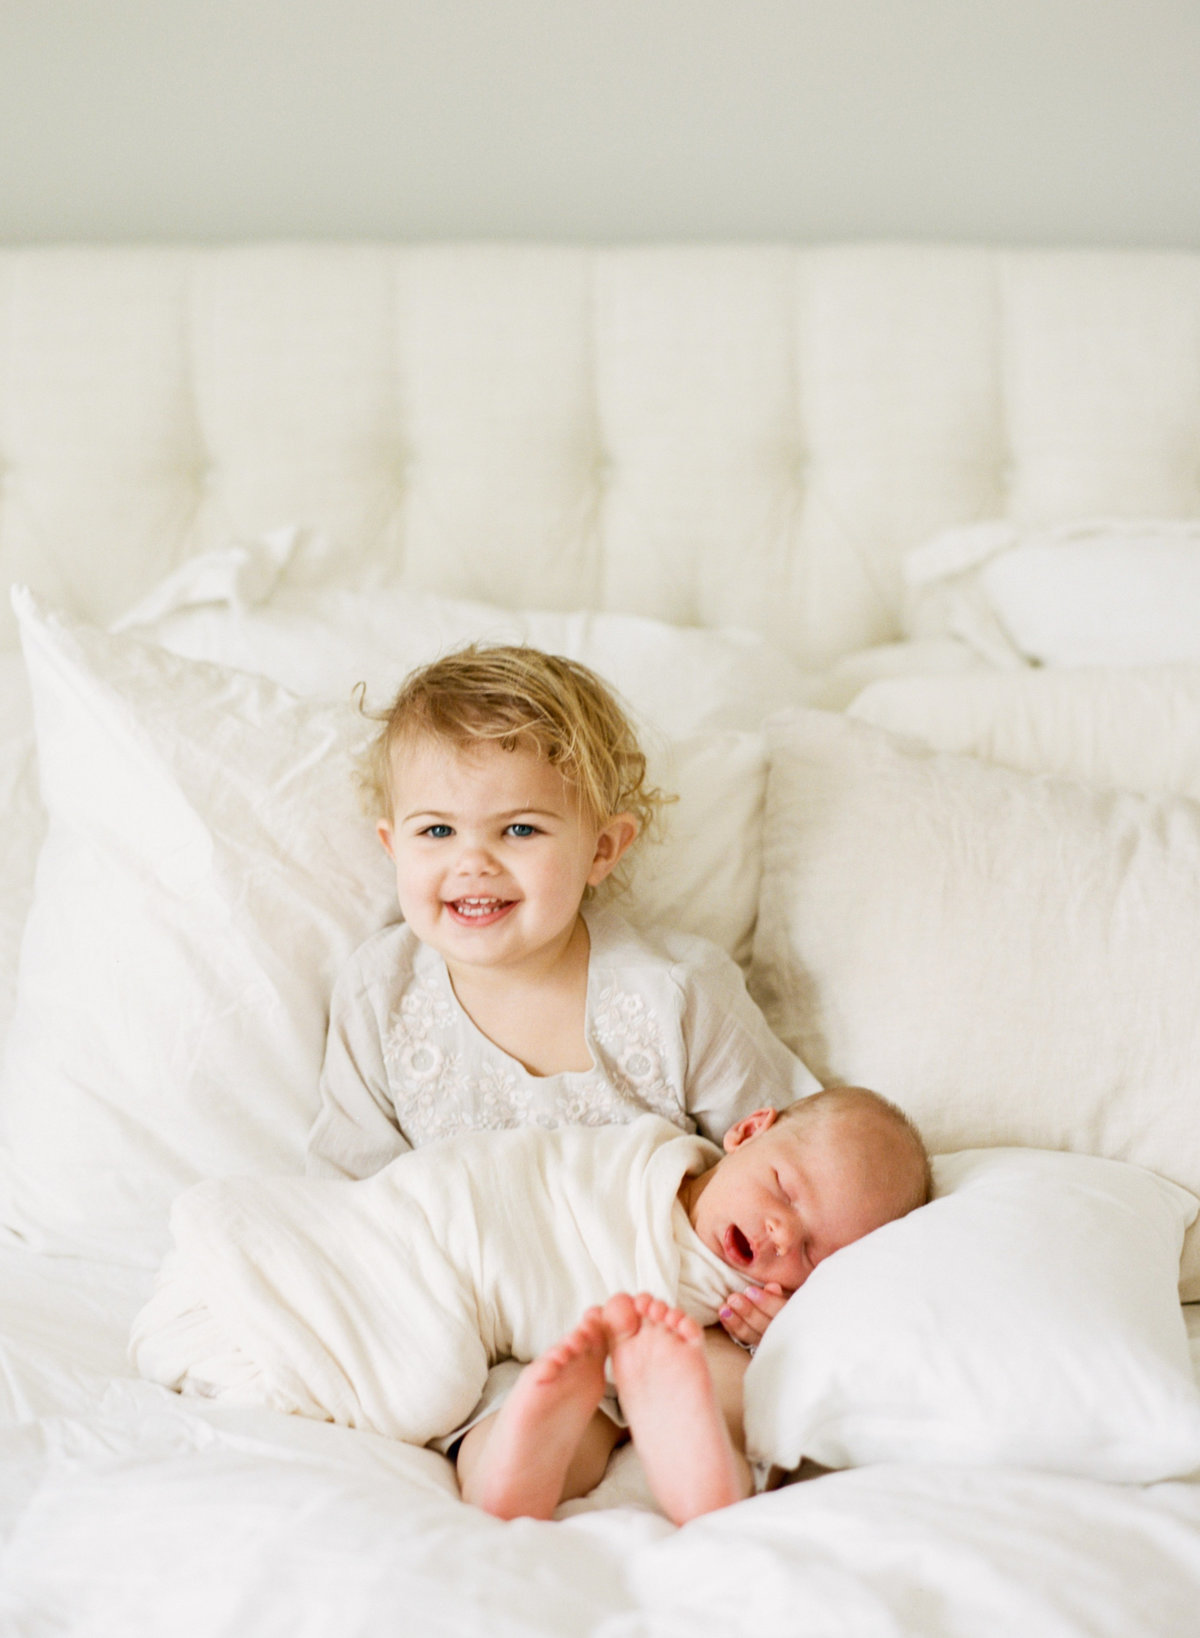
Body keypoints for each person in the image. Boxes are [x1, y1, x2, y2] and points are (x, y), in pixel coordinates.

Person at [303, 642, 824, 1490]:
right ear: (392, 845)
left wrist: (776, 1290)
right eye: (438, 831)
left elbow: (777, 1153)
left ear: (602, 849)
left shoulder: (674, 993)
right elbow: (357, 1191)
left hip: (670, 1299)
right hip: (491, 1320)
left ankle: (696, 1450)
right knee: (491, 1408)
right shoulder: (381, 995)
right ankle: (523, 1452)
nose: (473, 861)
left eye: (520, 829)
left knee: (737, 1375)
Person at [132, 1088, 932, 1526]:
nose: (781, 1233)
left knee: (679, 1395)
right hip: (462, 1247)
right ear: (750, 1130)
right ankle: (569, 1397)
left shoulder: (750, 1305)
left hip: (629, 1346)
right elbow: (515, 1182)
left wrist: (775, 1326)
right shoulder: (641, 1158)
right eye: (785, 1190)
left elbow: (791, 1323)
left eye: (819, 1253)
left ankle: (665, 1459)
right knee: (430, 1373)